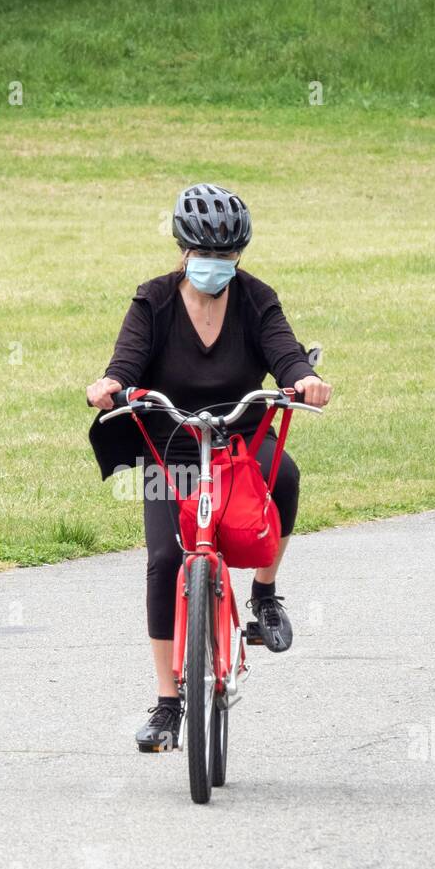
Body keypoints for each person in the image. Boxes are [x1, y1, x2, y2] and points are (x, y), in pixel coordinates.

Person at [87, 183, 332, 751]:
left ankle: (265, 595)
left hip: (241, 441)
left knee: (287, 476)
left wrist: (305, 378)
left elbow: (285, 352)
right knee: (165, 560)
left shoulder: (255, 298)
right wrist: (111, 386)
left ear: (238, 256)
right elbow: (125, 361)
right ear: (183, 250)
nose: (214, 267)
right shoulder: (153, 301)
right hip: (168, 445)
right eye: (203, 255)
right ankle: (168, 703)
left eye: (225, 257)